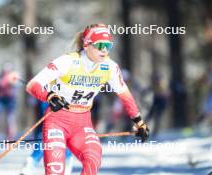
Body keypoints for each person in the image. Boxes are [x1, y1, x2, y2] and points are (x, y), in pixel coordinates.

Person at [26, 24, 149, 175]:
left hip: (82, 123)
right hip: (57, 122)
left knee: (93, 158)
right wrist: (49, 96)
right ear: (87, 44)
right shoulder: (68, 61)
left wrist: (139, 121)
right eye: (100, 45)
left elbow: (124, 94)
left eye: (108, 46)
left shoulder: (109, 67)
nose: (104, 50)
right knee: (56, 171)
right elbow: (33, 85)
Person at [0, 63, 19, 139]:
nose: (6, 71)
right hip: (1, 99)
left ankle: (10, 137)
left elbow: (16, 86)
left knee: (10, 119)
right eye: (5, 70)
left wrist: (12, 83)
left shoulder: (14, 76)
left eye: (8, 70)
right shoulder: (0, 77)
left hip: (10, 100)